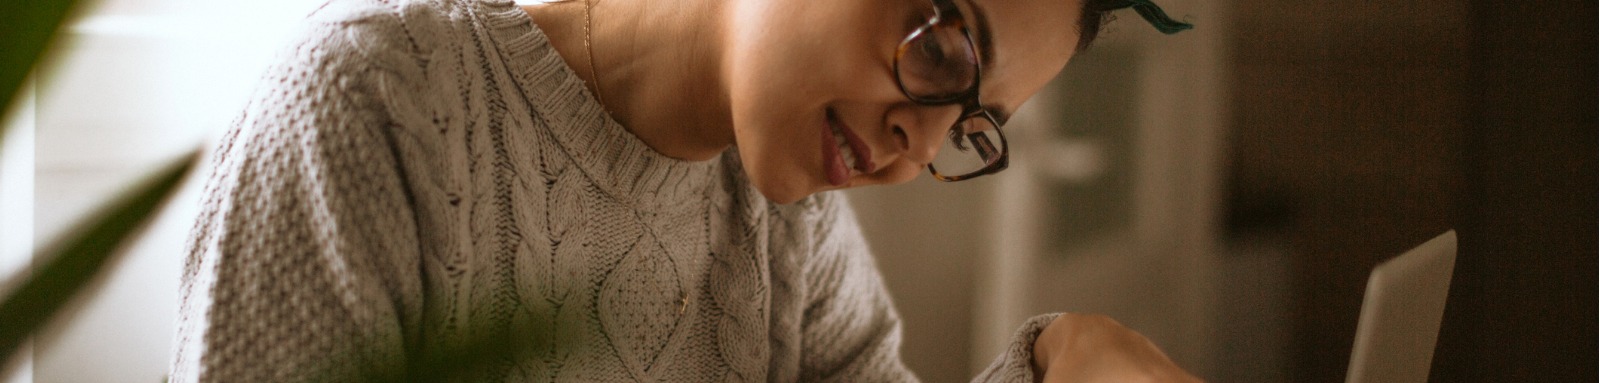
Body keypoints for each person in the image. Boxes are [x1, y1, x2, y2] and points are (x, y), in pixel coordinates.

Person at [168, 0, 1199, 380]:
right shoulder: (377, 109)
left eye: (971, 124)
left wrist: (1054, 360)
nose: (912, 143)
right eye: (943, 46)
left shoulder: (787, 227)